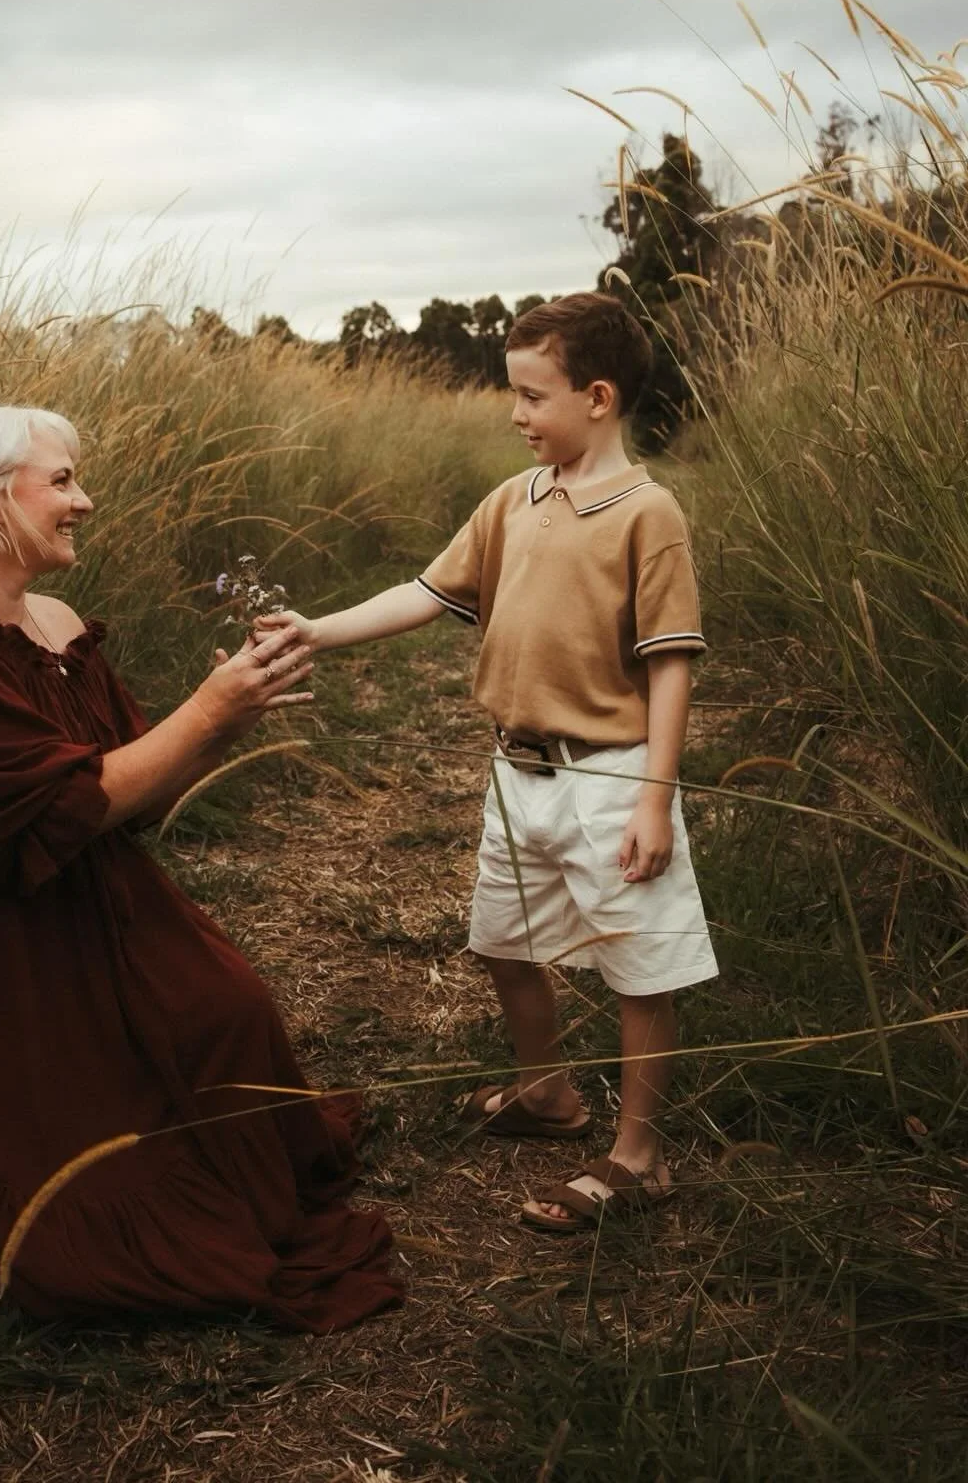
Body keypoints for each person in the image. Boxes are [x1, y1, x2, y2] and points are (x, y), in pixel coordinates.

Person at [0, 404, 402, 1330]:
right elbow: (63, 803)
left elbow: (132, 785)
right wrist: (206, 713)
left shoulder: (51, 620)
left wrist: (229, 718)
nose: (84, 500)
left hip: (70, 889)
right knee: (85, 1201)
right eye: (61, 482)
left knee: (229, 1012)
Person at [258, 293, 717, 1231]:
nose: (515, 414)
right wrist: (319, 629)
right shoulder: (514, 500)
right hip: (517, 773)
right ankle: (547, 1093)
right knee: (502, 944)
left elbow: (670, 661)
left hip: (611, 774)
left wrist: (655, 800)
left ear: (597, 397)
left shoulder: (648, 513)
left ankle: (637, 1157)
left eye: (531, 397)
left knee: (640, 970)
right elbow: (426, 594)